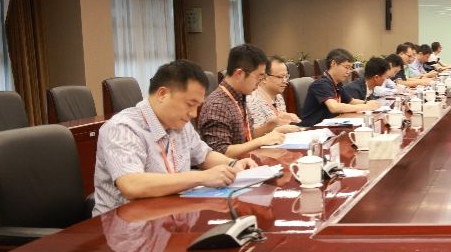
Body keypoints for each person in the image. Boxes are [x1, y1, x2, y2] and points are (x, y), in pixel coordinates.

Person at [93, 59, 258, 215]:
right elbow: (132, 185)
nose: (193, 114)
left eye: (197, 106)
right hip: (125, 225)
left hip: (171, 215)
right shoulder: (123, 128)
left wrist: (232, 164)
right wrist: (202, 177)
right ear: (163, 94)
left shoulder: (180, 124)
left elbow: (204, 155)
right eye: (190, 104)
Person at [198, 44, 286, 158]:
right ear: (239, 74)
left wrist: (272, 125)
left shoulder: (240, 96)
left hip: (247, 161)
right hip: (230, 167)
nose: (260, 82)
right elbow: (220, 151)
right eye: (259, 77)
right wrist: (260, 141)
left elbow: (246, 136)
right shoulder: (218, 105)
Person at [299, 48, 380, 126]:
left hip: (329, 125)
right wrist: (365, 107)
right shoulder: (321, 84)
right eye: (346, 67)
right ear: (333, 63)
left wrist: (367, 103)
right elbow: (334, 107)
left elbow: (350, 101)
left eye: (350, 68)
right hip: (313, 128)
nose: (349, 72)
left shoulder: (337, 83)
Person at [247, 55, 302, 135]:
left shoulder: (278, 96)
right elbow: (253, 135)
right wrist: (280, 129)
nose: (285, 81)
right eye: (280, 77)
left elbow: (283, 125)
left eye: (286, 76)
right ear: (264, 78)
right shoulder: (252, 100)